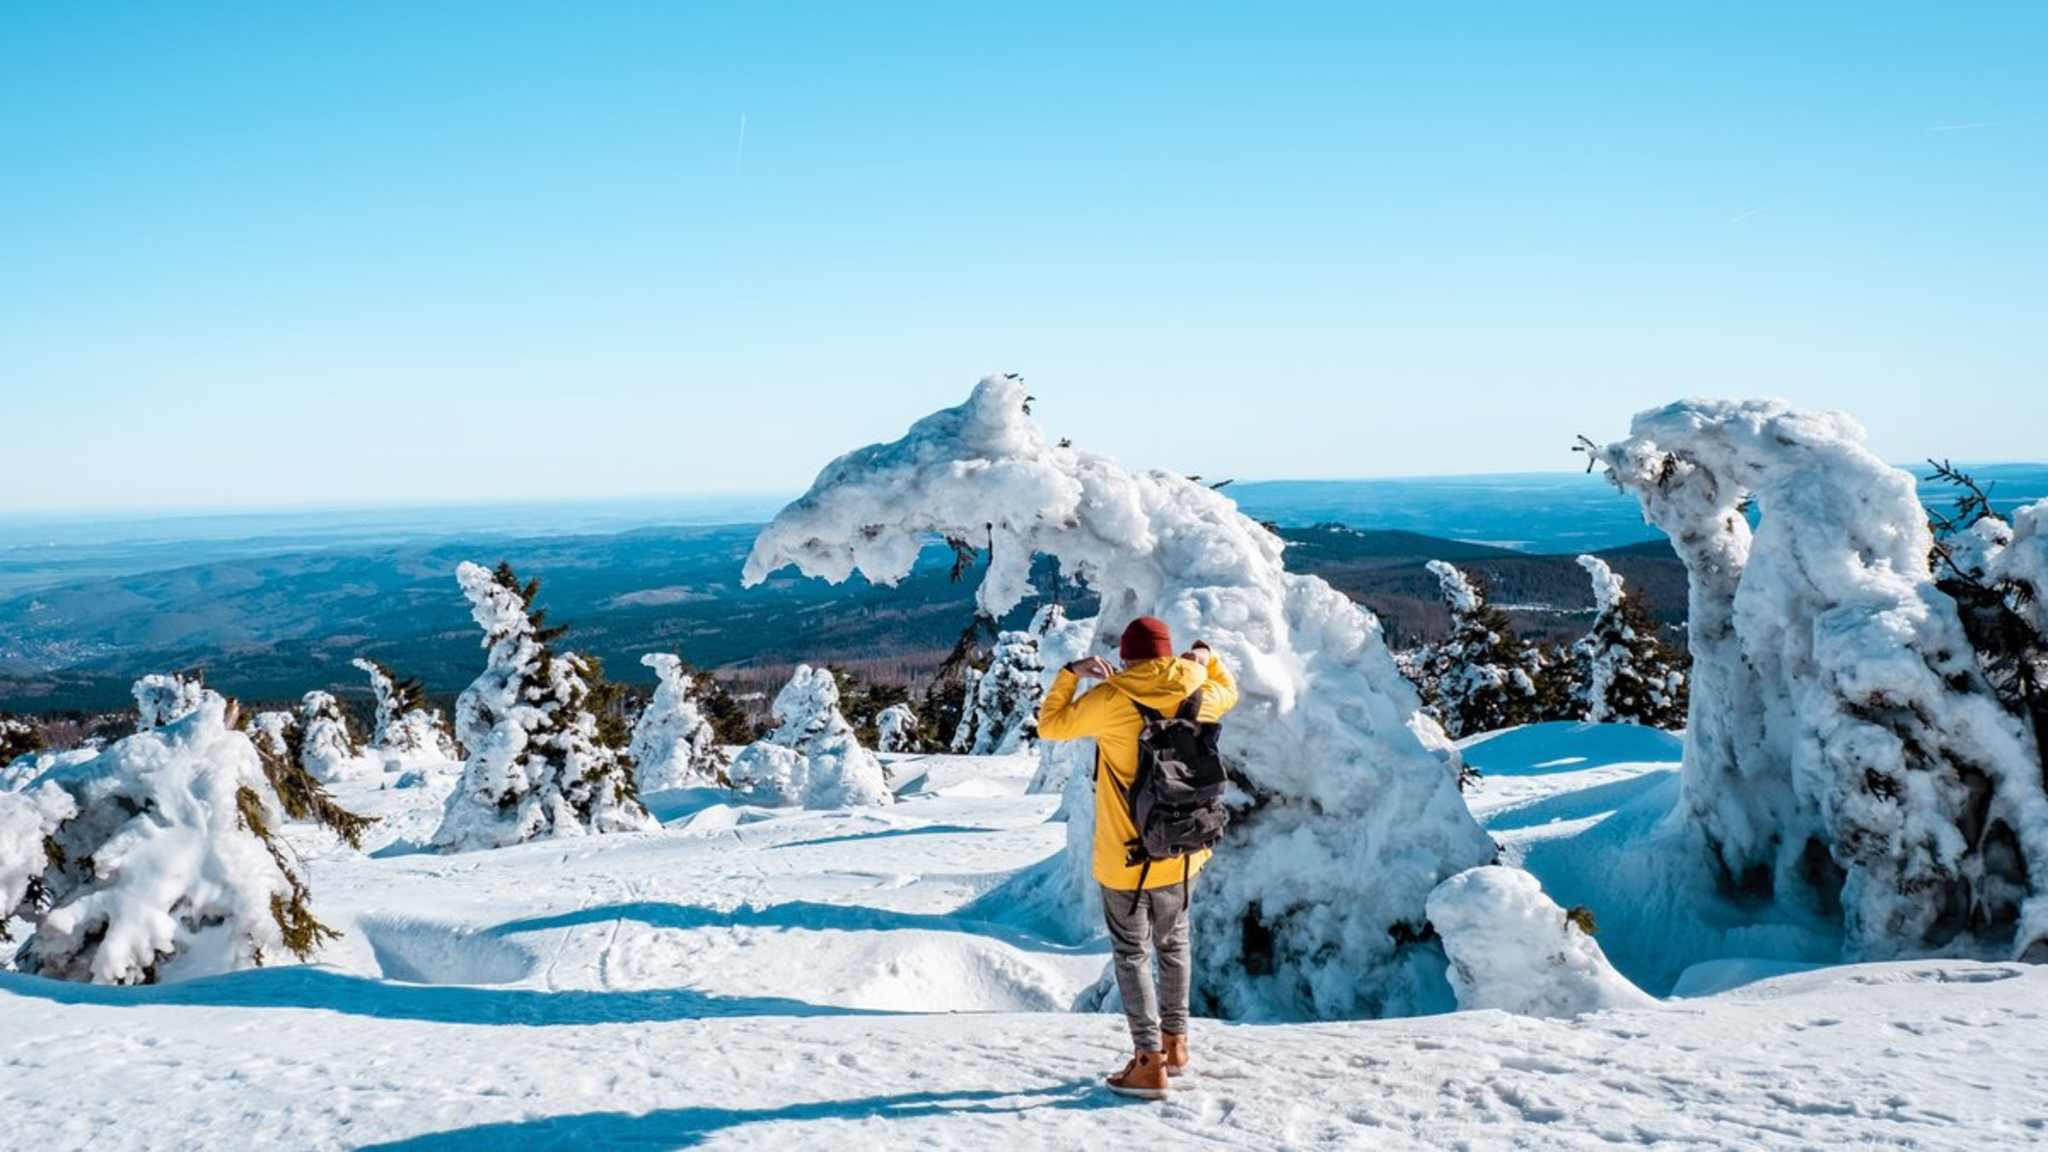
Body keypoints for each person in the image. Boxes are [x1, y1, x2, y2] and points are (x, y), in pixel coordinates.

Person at [1037, 615, 1239, 1100]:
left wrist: (1071, 672)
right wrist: (1204, 656)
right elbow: (1226, 687)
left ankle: (1147, 1062)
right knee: (1174, 948)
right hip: (1184, 851)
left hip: (1124, 856)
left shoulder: (1110, 699)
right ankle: (1176, 1045)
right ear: (1168, 655)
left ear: (1125, 657)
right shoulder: (1198, 692)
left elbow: (1050, 726)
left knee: (1132, 954)